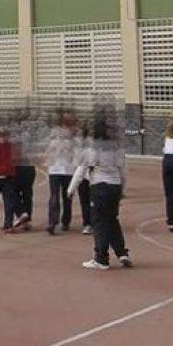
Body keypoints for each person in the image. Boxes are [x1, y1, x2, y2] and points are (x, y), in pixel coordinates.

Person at [70, 112, 130, 270]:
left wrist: (71, 190)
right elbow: (123, 171)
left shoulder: (91, 150)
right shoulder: (115, 149)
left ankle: (101, 258)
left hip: (100, 187)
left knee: (99, 222)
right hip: (115, 186)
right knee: (112, 219)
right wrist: (122, 189)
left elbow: (80, 171)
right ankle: (122, 252)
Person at [44, 114, 78, 236]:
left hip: (68, 170)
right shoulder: (54, 138)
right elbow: (47, 152)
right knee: (55, 196)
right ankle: (53, 222)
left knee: (66, 196)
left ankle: (65, 220)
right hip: (56, 169)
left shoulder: (74, 138)